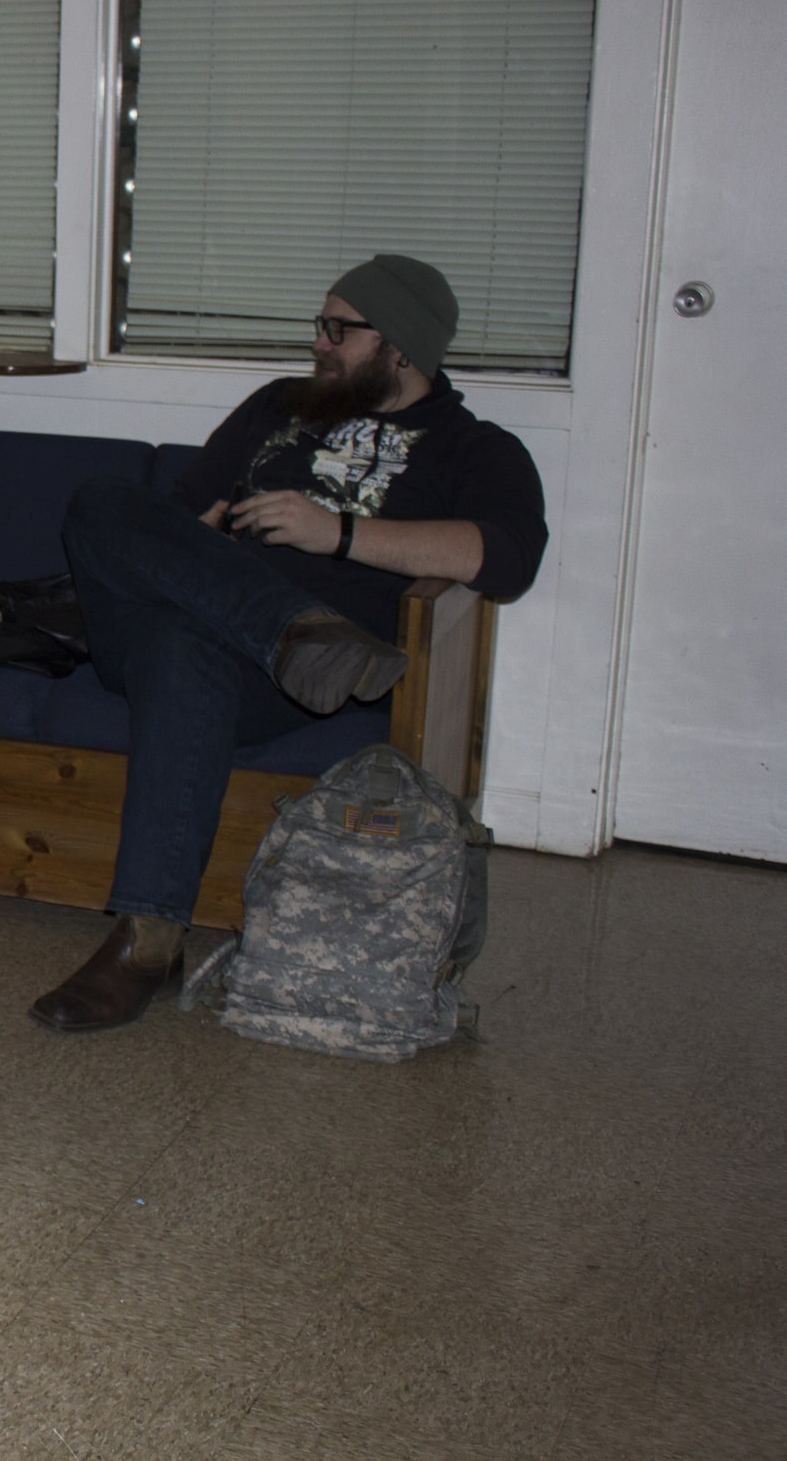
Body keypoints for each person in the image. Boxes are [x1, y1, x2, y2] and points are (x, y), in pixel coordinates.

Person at [31, 255, 549, 1033]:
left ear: (402, 346)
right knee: (103, 500)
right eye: (321, 326)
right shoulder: (280, 407)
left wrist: (334, 532)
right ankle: (293, 634)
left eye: (340, 329)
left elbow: (506, 557)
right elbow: (171, 522)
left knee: (184, 652)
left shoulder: (473, 449)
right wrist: (192, 547)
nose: (320, 344)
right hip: (166, 628)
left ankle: (149, 942)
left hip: (262, 683)